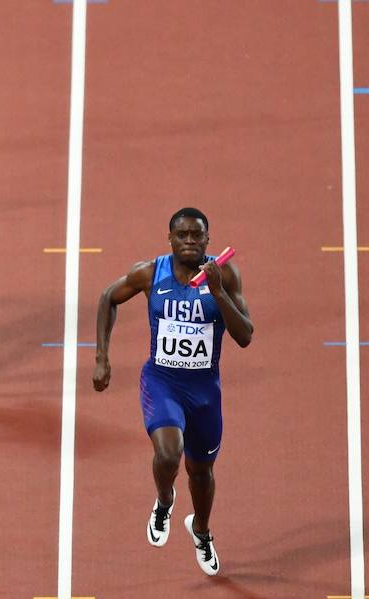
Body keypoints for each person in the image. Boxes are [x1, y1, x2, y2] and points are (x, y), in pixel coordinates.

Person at [93, 207, 253, 576]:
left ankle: (201, 530)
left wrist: (217, 291)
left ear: (208, 240)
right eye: (182, 235)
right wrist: (102, 358)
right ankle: (165, 501)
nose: (189, 242)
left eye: (197, 236)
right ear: (170, 238)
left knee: (201, 471)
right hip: (163, 381)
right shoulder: (151, 272)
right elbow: (107, 298)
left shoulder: (224, 274)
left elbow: (245, 335)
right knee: (169, 454)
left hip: (205, 390)